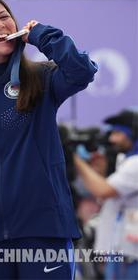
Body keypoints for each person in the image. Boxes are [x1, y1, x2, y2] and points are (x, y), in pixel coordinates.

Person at [0, 0, 98, 278]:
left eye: (4, 17)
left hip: (44, 229)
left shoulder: (41, 80)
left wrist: (43, 36)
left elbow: (81, 71)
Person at [74, 108, 138, 279]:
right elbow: (109, 196)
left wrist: (75, 159)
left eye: (117, 133)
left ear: (132, 133)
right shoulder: (127, 161)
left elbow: (103, 190)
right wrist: (100, 172)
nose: (111, 139)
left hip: (130, 254)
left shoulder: (135, 164)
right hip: (121, 252)